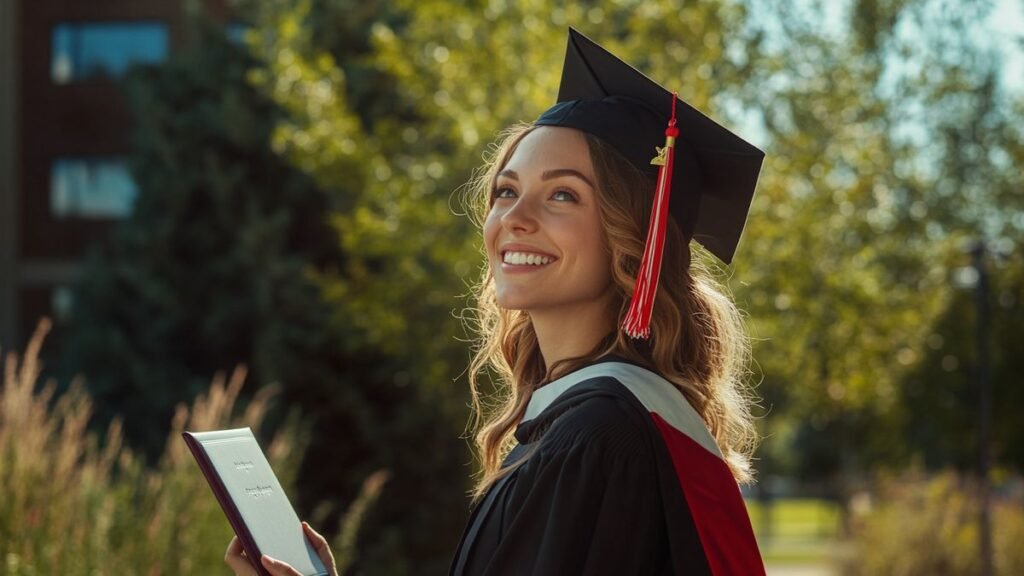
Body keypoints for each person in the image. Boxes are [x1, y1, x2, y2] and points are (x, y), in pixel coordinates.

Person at [226, 27, 765, 576]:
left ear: (634, 239)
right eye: (506, 191)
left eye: (563, 194)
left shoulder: (597, 439)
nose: (514, 218)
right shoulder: (593, 422)